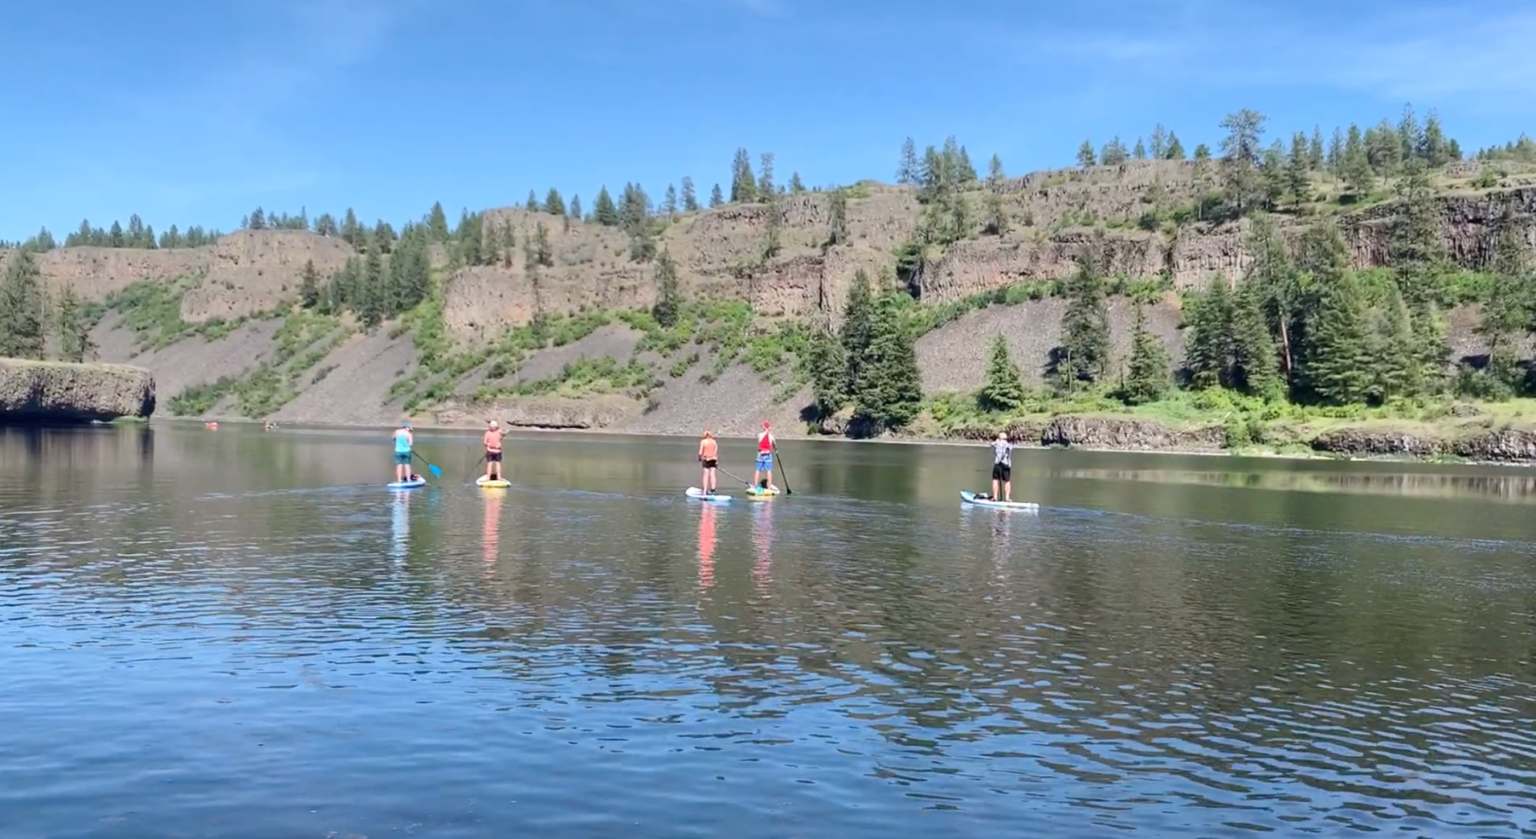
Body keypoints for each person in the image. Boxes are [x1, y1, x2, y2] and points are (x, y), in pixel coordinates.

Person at [982, 431, 1013, 502]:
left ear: (999, 438)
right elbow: (1011, 448)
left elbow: (991, 444)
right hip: (1006, 465)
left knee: (995, 480)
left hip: (998, 464)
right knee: (1007, 481)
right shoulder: (1009, 445)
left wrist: (997, 440)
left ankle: (995, 497)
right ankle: (1007, 498)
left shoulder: (996, 443)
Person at [753, 421, 776, 491]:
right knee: (768, 470)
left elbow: (761, 439)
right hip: (767, 455)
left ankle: (755, 486)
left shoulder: (760, 435)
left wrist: (766, 430)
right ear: (769, 428)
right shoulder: (771, 437)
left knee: (757, 470)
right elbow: (774, 445)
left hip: (760, 454)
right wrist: (776, 450)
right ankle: (769, 487)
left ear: (763, 427)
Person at [698, 430, 719, 494]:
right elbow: (715, 451)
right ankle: (713, 489)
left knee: (706, 475)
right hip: (713, 459)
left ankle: (705, 490)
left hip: (706, 459)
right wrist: (716, 461)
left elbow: (700, 452)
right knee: (712, 474)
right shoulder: (714, 442)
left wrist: (699, 458)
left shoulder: (703, 442)